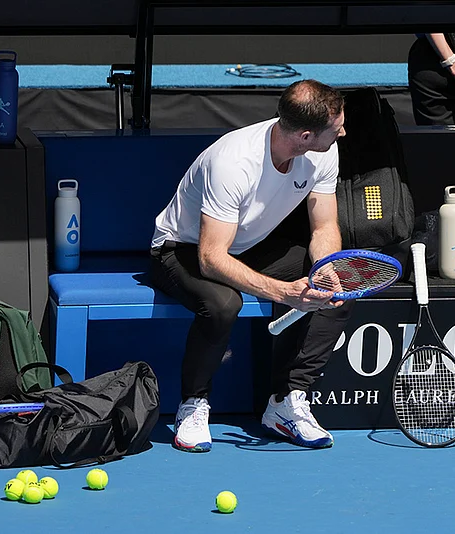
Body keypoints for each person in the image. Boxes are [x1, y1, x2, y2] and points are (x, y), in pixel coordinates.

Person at [149, 79, 352, 452]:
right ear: (306, 135)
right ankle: (193, 404)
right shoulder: (233, 161)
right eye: (337, 127)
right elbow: (211, 259)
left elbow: (323, 226)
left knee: (338, 287)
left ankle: (287, 402)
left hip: (245, 247)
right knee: (223, 304)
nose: (344, 130)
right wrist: (283, 292)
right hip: (181, 249)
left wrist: (324, 267)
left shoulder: (324, 152)